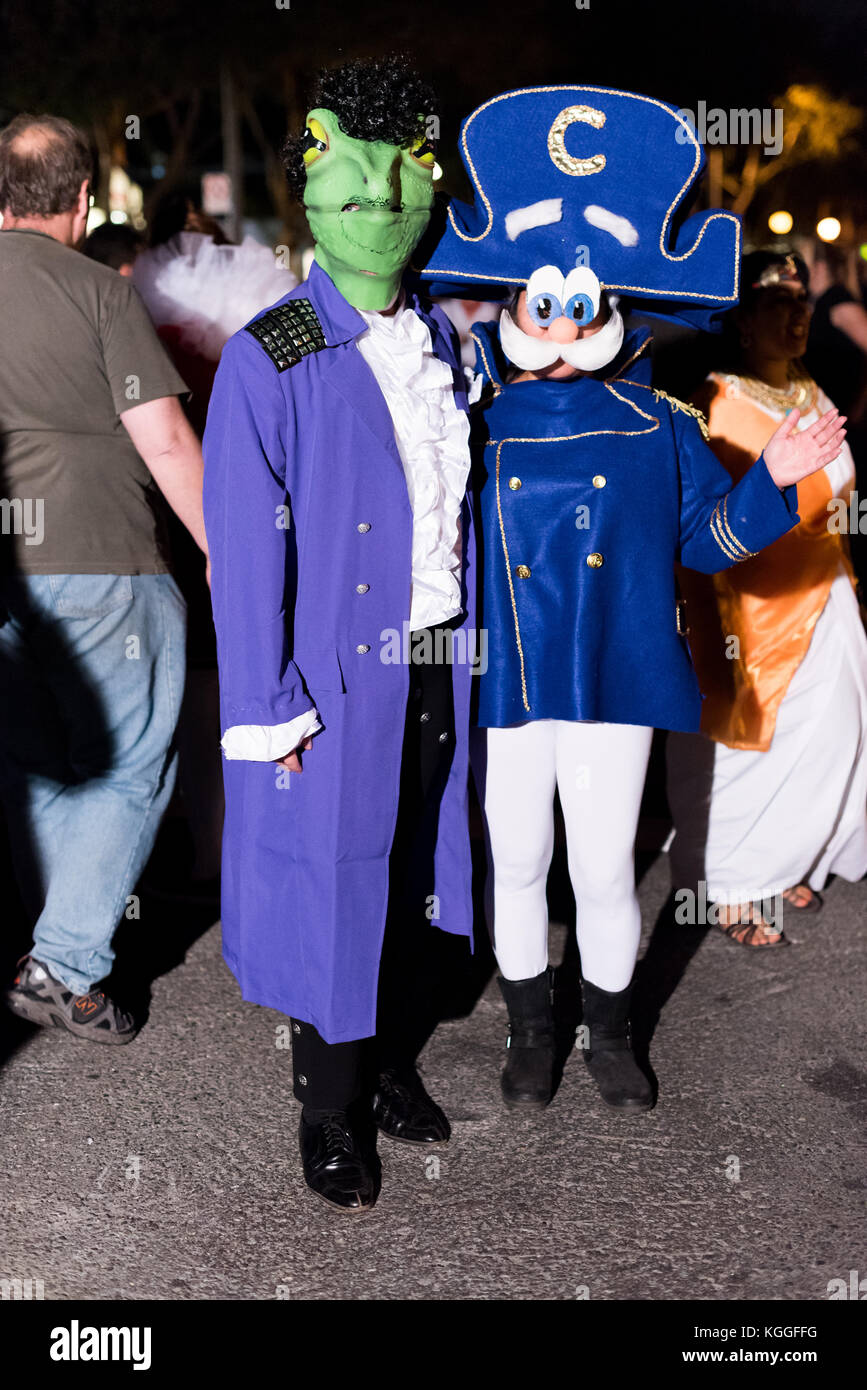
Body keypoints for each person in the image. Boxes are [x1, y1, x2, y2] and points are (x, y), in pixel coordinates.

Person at [419, 86, 847, 1113]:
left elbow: (710, 541)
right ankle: (531, 1035)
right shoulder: (473, 418)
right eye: (539, 303)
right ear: (514, 305)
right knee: (517, 861)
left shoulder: (659, 423)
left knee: (606, 869)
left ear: (612, 306)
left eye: (580, 303)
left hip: (615, 673)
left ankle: (606, 1031)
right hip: (513, 678)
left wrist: (778, 478)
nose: (560, 321)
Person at [203, 58, 476, 1212]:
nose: (386, 206)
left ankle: (395, 1065)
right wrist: (267, 709)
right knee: (333, 881)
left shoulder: (448, 346)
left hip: (437, 656)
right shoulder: (271, 355)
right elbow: (246, 555)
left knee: (414, 868)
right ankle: (328, 1108)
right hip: (330, 675)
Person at [0, 114, 208, 1042]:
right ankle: (67, 959)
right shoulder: (98, 293)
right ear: (84, 201)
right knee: (125, 768)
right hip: (101, 557)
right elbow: (165, 440)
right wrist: (229, 556)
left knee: (34, 758)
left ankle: (53, 933)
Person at [666, 251, 867, 944]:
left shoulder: (809, 388)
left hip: (826, 590)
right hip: (749, 609)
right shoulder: (714, 400)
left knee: (835, 733)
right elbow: (701, 520)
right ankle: (728, 887)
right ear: (742, 322)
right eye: (778, 304)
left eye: (800, 301)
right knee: (755, 749)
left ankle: (790, 859)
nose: (797, 314)